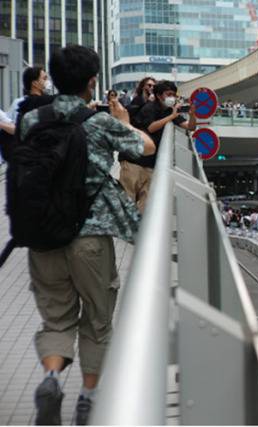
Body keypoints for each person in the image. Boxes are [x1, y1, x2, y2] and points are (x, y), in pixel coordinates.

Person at [19, 44, 155, 425]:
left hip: (43, 235)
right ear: (92, 82)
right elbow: (146, 146)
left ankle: (50, 378)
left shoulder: (33, 120)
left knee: (56, 321)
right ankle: (89, 396)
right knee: (96, 321)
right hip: (90, 238)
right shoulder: (99, 122)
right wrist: (124, 119)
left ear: (54, 80)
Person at [119, 80, 196, 212]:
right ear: (159, 95)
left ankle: (140, 232)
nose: (172, 97)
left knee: (145, 206)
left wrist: (192, 115)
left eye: (174, 95)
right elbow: (151, 127)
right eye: (168, 94)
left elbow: (190, 127)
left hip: (151, 164)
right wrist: (171, 116)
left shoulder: (171, 111)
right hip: (133, 161)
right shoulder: (149, 108)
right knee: (126, 202)